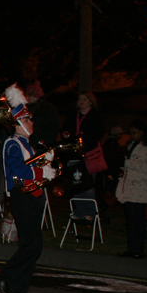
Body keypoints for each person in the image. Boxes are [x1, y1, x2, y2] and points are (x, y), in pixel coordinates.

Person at [0, 86, 55, 293]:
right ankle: (4, 278)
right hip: (21, 195)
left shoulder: (29, 144)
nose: (32, 123)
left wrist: (48, 166)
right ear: (18, 124)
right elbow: (18, 169)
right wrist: (40, 170)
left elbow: (34, 169)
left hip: (33, 196)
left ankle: (17, 287)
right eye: (27, 120)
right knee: (32, 245)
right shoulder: (12, 143)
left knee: (33, 245)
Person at [115, 119, 147, 259]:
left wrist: (127, 163)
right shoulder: (135, 145)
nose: (132, 135)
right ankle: (132, 248)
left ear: (142, 132)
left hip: (141, 187)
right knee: (131, 220)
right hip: (131, 186)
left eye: (134, 132)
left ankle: (138, 249)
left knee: (137, 220)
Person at [61, 91, 105, 221]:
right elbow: (65, 128)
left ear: (90, 101)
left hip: (89, 154)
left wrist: (84, 141)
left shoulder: (95, 116)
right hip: (74, 154)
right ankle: (79, 211)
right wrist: (66, 134)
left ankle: (90, 212)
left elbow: (98, 134)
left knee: (88, 184)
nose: (81, 102)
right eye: (80, 99)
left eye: (85, 99)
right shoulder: (73, 115)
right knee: (76, 183)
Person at [25, 81, 59, 149]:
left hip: (40, 144)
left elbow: (53, 128)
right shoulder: (32, 107)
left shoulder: (47, 109)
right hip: (38, 143)